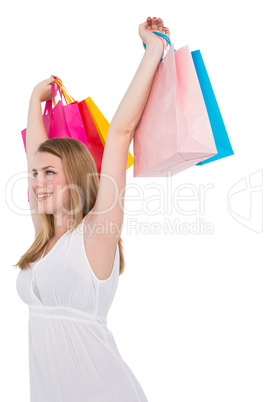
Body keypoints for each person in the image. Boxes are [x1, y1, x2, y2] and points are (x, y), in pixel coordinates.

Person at [15, 16, 170, 402]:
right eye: (35, 175)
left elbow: (119, 133)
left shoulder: (96, 236)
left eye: (50, 174)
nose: (37, 182)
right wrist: (34, 101)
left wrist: (154, 48)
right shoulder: (45, 238)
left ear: (77, 178)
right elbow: (35, 155)